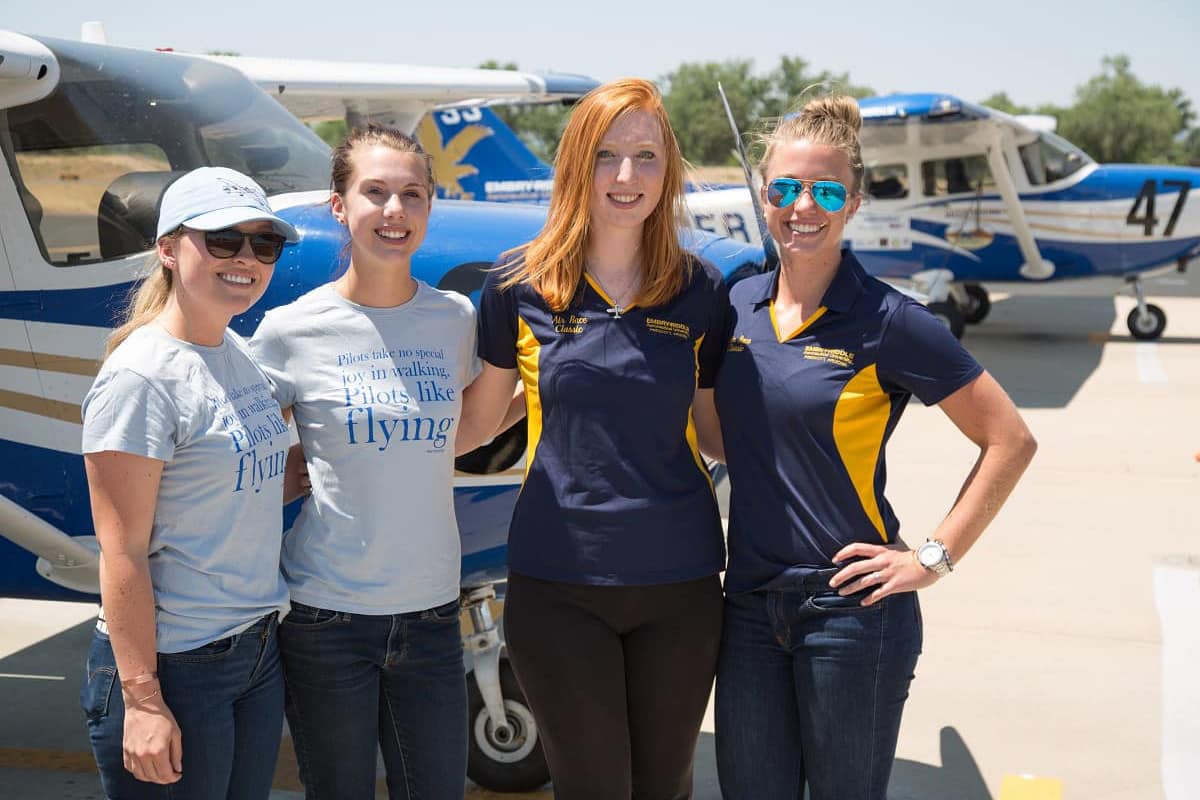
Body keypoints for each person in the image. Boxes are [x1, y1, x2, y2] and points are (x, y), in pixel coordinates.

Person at [710, 95, 1038, 800]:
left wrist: (933, 558)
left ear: (854, 203)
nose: (804, 206)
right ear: (763, 197)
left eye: (827, 191)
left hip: (851, 613)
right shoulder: (734, 306)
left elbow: (1010, 439)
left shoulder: (891, 320)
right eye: (785, 189)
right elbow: (725, 436)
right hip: (747, 607)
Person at [456, 78, 729, 799]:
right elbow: (479, 422)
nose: (626, 175)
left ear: (668, 169)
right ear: (578, 163)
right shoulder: (517, 284)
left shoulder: (701, 289)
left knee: (665, 787)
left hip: (681, 584)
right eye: (606, 154)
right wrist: (351, 449)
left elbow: (715, 435)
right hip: (558, 583)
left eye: (646, 156)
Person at [249, 125, 477, 800]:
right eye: (374, 192)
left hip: (433, 615)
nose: (394, 210)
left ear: (430, 206)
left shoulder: (455, 319)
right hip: (326, 620)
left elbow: (458, 431)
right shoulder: (292, 329)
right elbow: (233, 447)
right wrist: (283, 475)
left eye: (412, 194)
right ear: (339, 206)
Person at [80, 167, 297, 799]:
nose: (246, 258)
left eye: (264, 243)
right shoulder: (140, 379)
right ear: (168, 250)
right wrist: (143, 700)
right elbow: (121, 552)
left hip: (255, 649)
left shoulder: (237, 354)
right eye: (223, 240)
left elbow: (238, 489)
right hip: (177, 666)